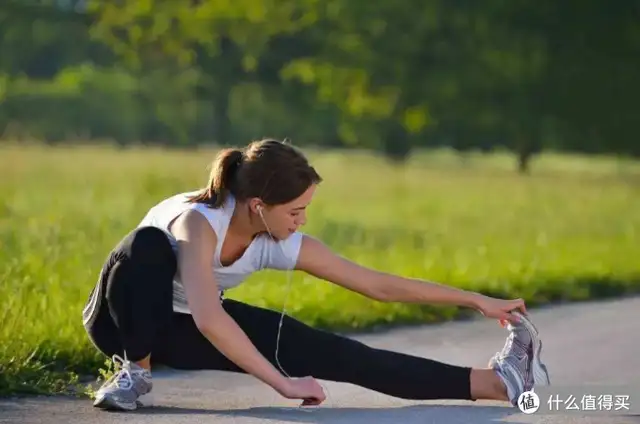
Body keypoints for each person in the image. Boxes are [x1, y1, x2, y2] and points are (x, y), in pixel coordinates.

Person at [81, 138, 550, 412]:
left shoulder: (276, 238)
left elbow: (377, 286)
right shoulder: (198, 222)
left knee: (335, 352)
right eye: (297, 210)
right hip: (119, 322)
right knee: (142, 247)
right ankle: (133, 374)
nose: (302, 220)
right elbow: (208, 316)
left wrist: (475, 299)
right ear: (259, 206)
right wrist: (283, 384)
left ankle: (495, 382)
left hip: (179, 329)